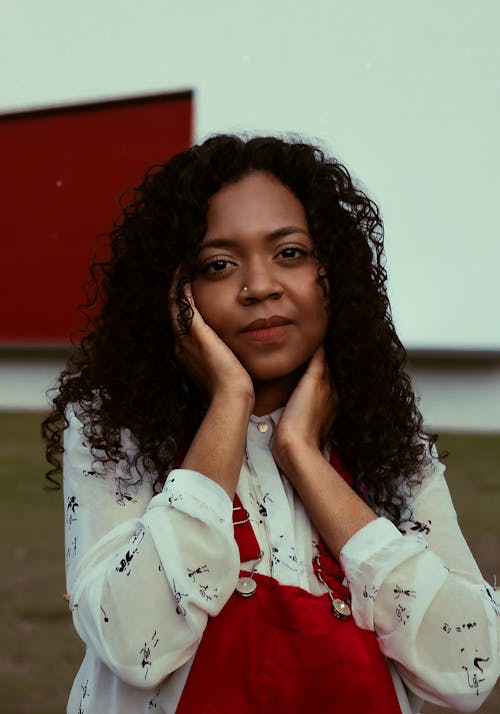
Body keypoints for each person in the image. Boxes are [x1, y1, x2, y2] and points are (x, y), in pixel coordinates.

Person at [43, 134, 499, 713]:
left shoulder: (389, 447)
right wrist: (229, 404)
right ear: (174, 292)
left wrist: (305, 459)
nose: (260, 286)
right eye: (219, 264)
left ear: (333, 274)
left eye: (290, 253)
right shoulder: (117, 433)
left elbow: (468, 669)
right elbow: (134, 647)